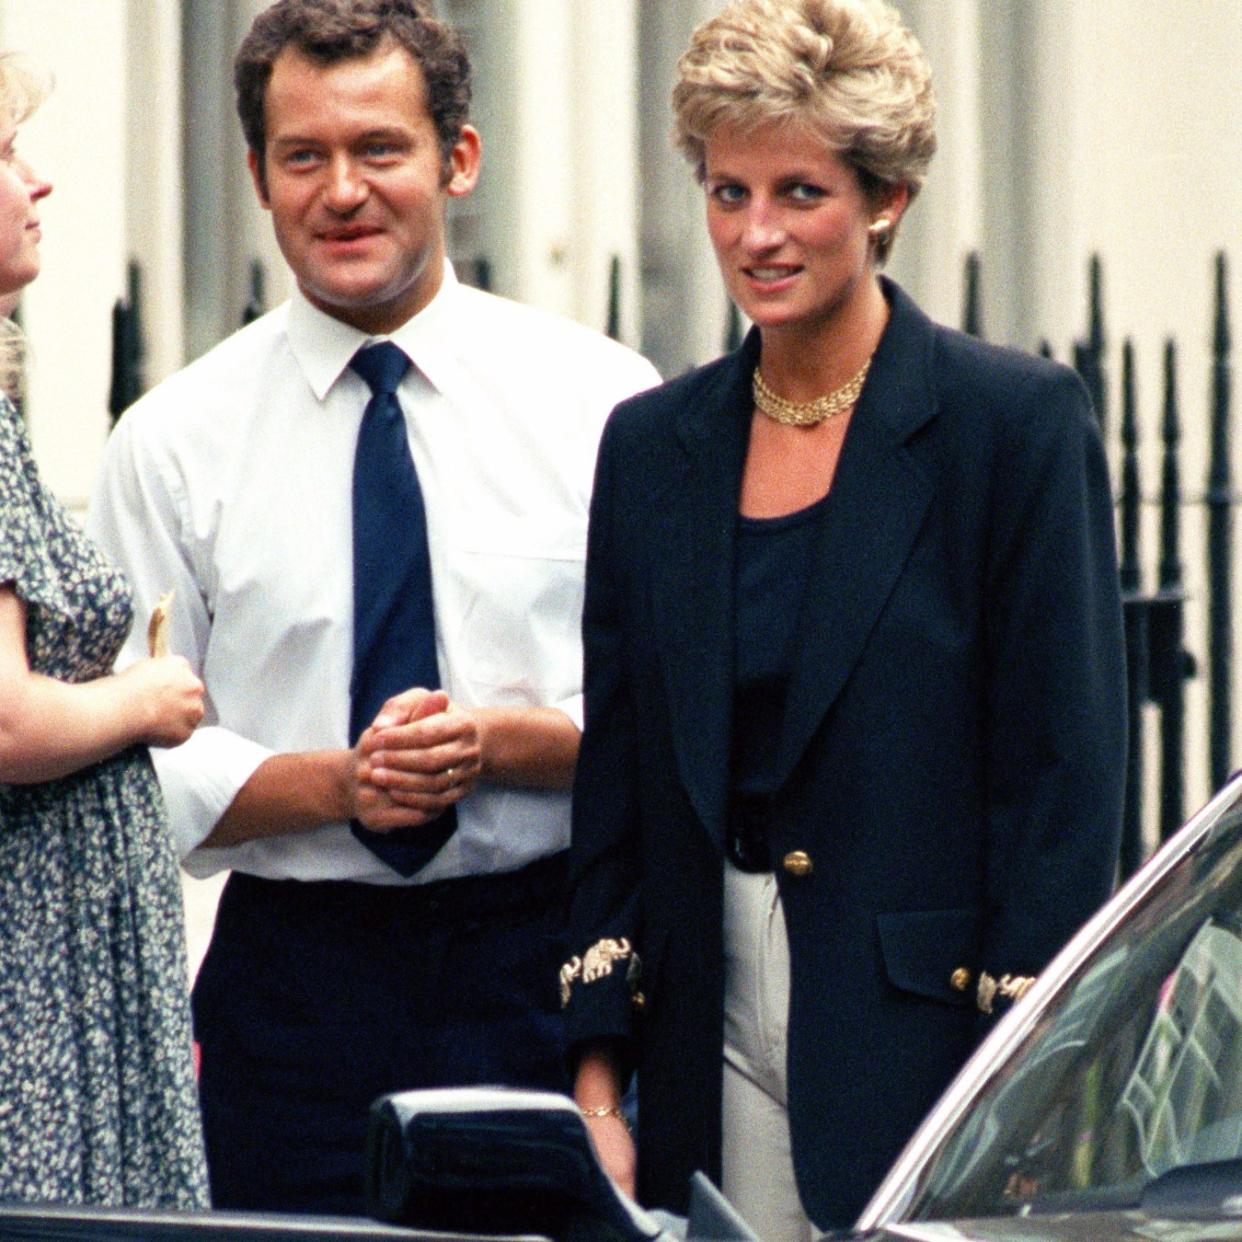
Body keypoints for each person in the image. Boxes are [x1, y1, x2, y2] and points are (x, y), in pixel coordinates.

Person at [562, 0, 1126, 1236]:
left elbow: (1061, 789)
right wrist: (599, 1084)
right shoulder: (653, 447)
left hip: (927, 1037)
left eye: (799, 192)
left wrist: (1020, 1094)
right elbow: (621, 781)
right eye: (726, 192)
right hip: (701, 1011)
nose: (755, 233)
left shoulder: (1013, 427)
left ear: (886, 201)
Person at [88, 0, 659, 1218]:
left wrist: (497, 744)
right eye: (304, 157)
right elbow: (134, 759)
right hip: (295, 988)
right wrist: (339, 786)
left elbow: (663, 726)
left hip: (540, 970)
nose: (341, 191)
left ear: (458, 158)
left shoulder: (604, 406)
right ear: (257, 175)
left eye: (380, 150)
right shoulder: (173, 445)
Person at [0, 55, 209, 1210]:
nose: (38, 184)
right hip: (30, 977)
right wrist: (148, 700)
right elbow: (6, 718)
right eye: (8, 155)